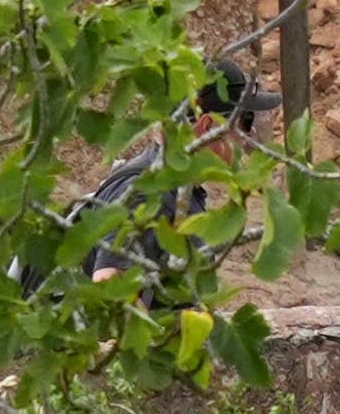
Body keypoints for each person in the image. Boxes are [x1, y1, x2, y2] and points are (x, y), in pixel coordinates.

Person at [86, 59, 282, 292]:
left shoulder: (174, 186)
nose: (250, 133)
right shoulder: (148, 195)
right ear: (207, 127)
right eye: (246, 121)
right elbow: (107, 285)